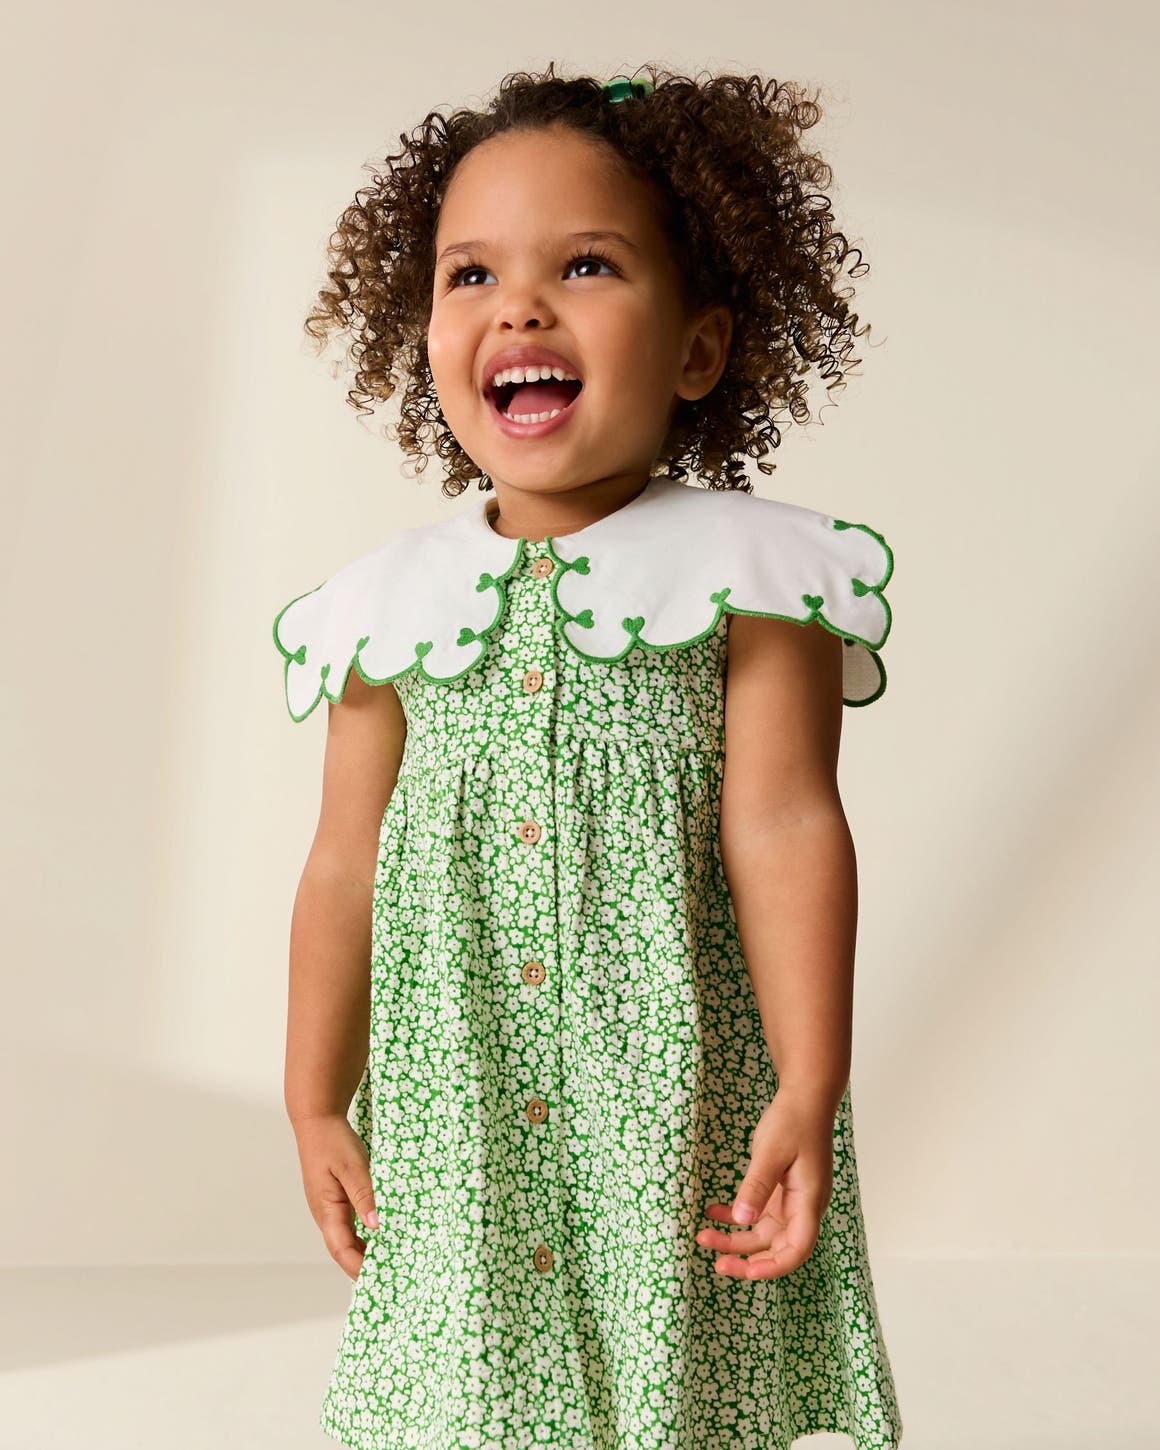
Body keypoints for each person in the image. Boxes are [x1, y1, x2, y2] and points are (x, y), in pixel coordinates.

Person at [273, 61, 904, 1450]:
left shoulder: (759, 578)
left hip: (669, 1086)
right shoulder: (383, 608)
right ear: (423, 326)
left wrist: (810, 1078)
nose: (519, 306)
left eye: (586, 264)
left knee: (667, 1379)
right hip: (469, 1090)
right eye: (469, 274)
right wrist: (314, 1089)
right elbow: (343, 862)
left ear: (696, 348)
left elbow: (788, 823)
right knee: (478, 1392)